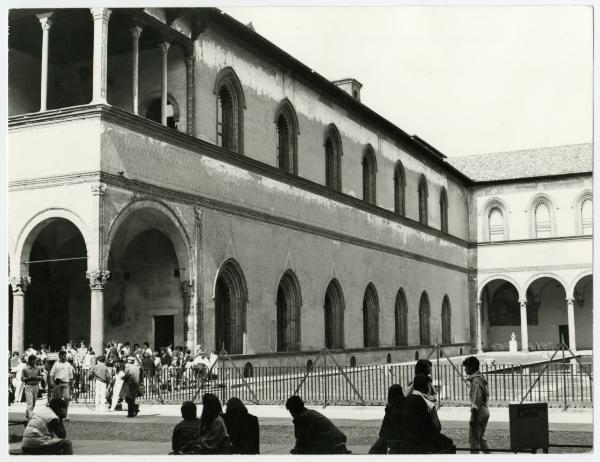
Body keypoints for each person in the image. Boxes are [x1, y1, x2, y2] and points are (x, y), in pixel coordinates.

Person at [404, 374, 454, 454]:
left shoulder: (406, 400)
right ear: (426, 386)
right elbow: (437, 426)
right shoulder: (429, 404)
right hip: (424, 440)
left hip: (408, 438)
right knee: (448, 443)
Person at [285, 395, 350, 454]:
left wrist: (296, 450)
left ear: (293, 410)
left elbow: (301, 439)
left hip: (332, 445)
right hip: (339, 442)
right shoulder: (311, 412)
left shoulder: (302, 418)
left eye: (291, 411)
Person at [369, 384, 408, 454]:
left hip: (392, 437)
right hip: (402, 436)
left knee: (373, 452)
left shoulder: (390, 408)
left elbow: (385, 427)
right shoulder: (405, 404)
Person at [464, 356, 490, 454]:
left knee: (474, 441)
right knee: (481, 439)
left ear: (471, 367)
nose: (465, 369)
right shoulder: (481, 378)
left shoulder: (475, 382)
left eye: (466, 367)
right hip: (485, 410)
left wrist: (473, 418)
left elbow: (475, 403)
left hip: (478, 412)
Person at [22, 355, 43, 420]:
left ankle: (28, 412)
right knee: (30, 402)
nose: (35, 361)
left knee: (33, 403)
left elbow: (41, 377)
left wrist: (36, 377)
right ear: (30, 361)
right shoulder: (25, 369)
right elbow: (22, 379)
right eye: (33, 360)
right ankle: (30, 417)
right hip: (28, 386)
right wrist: (29, 378)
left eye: (35, 360)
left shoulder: (38, 369)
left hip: (36, 386)